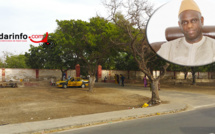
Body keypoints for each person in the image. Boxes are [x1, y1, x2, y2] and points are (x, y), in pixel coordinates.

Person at [157, 0, 215, 66]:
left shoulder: (213, 46)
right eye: (184, 22)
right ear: (179, 24)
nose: (189, 26)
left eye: (193, 21)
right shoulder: (167, 48)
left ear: (201, 21)